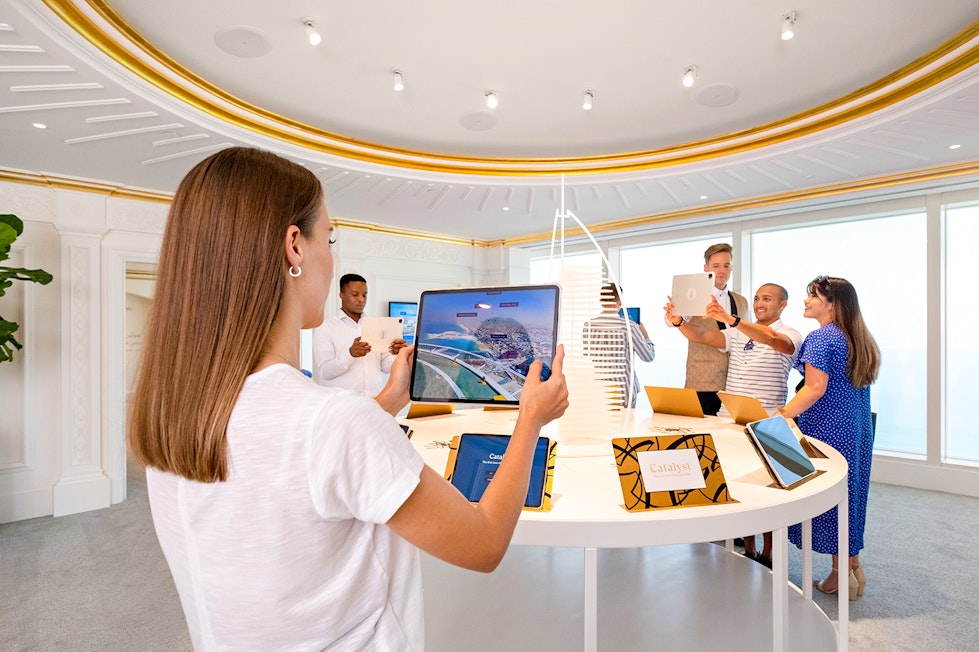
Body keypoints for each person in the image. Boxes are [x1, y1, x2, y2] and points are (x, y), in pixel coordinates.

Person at [127, 147, 569, 650]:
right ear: (294, 246)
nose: (331, 255)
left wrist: (387, 399)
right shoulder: (334, 425)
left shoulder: (175, 414)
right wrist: (531, 417)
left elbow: (293, 462)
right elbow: (484, 541)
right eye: (330, 237)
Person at [665, 283, 803, 566]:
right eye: (756, 298)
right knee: (733, 482)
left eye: (767, 299)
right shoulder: (738, 333)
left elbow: (774, 340)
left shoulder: (790, 334)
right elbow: (702, 335)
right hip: (730, 419)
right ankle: (747, 549)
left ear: (782, 305)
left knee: (766, 491)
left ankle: (768, 554)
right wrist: (679, 322)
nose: (759, 303)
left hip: (766, 421)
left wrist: (734, 320)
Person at [778, 275, 880, 601]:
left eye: (812, 295)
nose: (806, 301)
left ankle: (839, 575)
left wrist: (780, 416)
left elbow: (814, 388)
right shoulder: (857, 338)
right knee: (851, 496)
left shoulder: (822, 338)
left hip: (827, 428)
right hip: (857, 427)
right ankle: (853, 566)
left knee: (829, 498)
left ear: (832, 303)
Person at [668, 243, 749, 416]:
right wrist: (675, 315)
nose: (722, 271)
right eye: (716, 266)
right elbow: (672, 321)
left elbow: (747, 337)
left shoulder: (741, 301)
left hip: (735, 383)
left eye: (726, 266)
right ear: (706, 268)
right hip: (702, 381)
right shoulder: (694, 295)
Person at [312, 273, 405, 396]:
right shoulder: (325, 327)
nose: (361, 299)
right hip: (344, 405)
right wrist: (350, 354)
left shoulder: (376, 325)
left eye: (364, 295)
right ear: (341, 295)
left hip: (375, 402)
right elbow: (325, 373)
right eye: (355, 294)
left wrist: (396, 354)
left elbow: (385, 368)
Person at [583, 283, 655, 407]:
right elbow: (648, 357)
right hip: (624, 392)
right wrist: (646, 336)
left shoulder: (588, 326)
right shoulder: (629, 326)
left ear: (601, 300)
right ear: (620, 302)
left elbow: (588, 356)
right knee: (626, 426)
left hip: (600, 392)